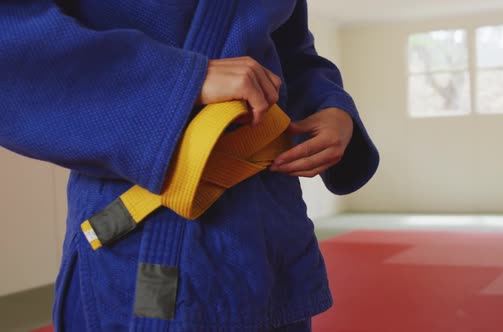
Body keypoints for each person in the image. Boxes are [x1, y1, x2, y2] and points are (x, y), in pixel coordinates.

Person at [0, 0, 379, 331]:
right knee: (155, 309)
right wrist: (181, 80)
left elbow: (289, 54)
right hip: (151, 228)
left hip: (270, 235)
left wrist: (329, 106)